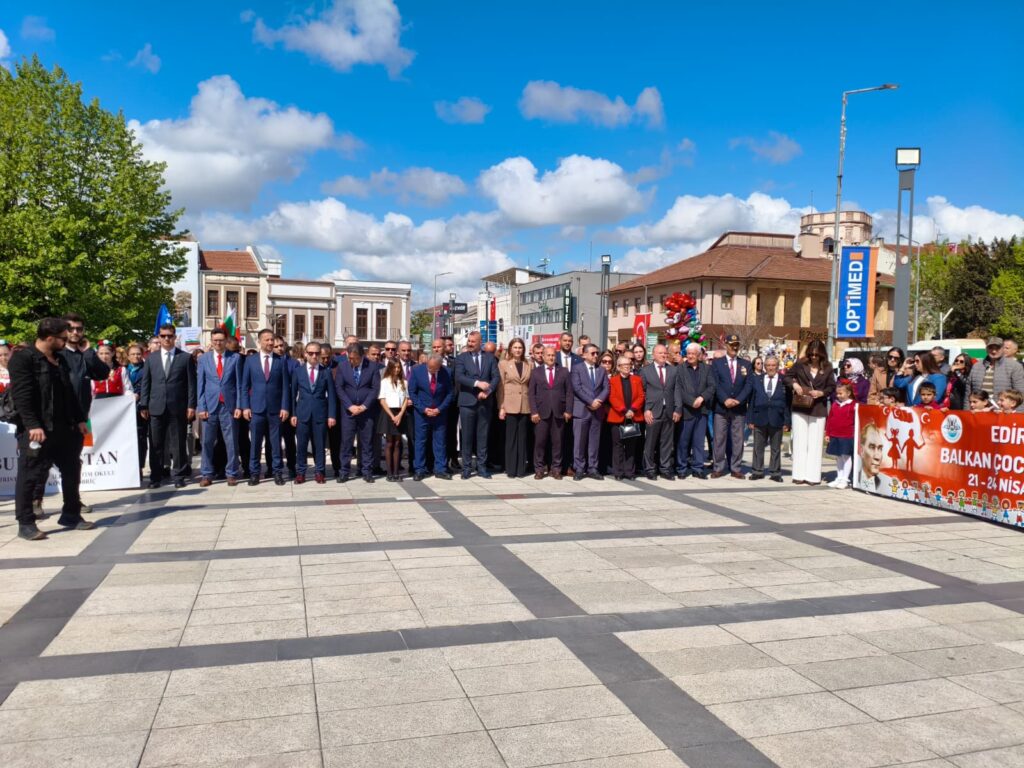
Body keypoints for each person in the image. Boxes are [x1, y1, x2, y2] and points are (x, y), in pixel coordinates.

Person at [8, 319, 92, 540]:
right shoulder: (23, 359)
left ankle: (71, 514)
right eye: (63, 338)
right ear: (49, 338)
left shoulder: (60, 358)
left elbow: (69, 392)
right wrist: (32, 424)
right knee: (30, 475)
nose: (68, 340)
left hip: (65, 427)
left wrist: (80, 419)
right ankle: (26, 522)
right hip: (38, 429)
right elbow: (22, 395)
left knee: (72, 470)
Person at [59, 313, 110, 512]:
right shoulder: (57, 353)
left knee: (73, 462)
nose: (75, 332)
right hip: (57, 416)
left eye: (79, 329)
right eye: (71, 328)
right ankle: (36, 500)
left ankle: (73, 501)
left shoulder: (84, 355)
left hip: (80, 417)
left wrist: (88, 351)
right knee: (43, 462)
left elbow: (103, 373)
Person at [140, 324, 196, 489]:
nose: (166, 339)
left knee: (178, 443)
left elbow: (191, 384)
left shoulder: (185, 358)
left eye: (169, 336)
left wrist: (191, 405)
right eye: (163, 336)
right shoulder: (151, 358)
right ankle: (156, 476)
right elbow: (146, 383)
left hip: (177, 407)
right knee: (156, 444)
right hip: (156, 407)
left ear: (175, 337)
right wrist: (144, 405)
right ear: (159, 337)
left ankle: (179, 475)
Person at [239, 328, 291, 485]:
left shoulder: (280, 360)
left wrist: (285, 407)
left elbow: (285, 387)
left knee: (275, 443)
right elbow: (244, 386)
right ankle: (254, 473)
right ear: (259, 341)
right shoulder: (250, 360)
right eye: (267, 339)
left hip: (276, 410)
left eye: (272, 339)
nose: (270, 342)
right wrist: (245, 407)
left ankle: (277, 472)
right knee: (255, 443)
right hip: (256, 409)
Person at [196, 329, 242, 487]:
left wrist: (239, 406)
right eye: (215, 340)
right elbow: (200, 385)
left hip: (229, 406)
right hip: (210, 406)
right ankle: (207, 474)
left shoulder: (235, 358)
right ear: (211, 341)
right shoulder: (204, 359)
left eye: (221, 340)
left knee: (231, 442)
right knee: (207, 442)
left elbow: (239, 384)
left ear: (226, 341)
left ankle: (232, 473)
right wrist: (201, 407)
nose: (218, 343)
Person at [786, 338, 835, 486]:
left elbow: (831, 386)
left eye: (816, 355)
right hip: (800, 406)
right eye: (811, 354)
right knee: (800, 441)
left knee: (815, 443)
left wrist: (821, 393)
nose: (814, 357)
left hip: (818, 408)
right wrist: (795, 385)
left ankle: (813, 476)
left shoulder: (828, 367)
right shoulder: (800, 364)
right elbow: (787, 377)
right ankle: (798, 475)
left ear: (821, 354)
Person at [454, 331, 499, 479]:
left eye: (473, 341)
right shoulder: (462, 358)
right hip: (467, 403)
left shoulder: (490, 358)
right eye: (469, 341)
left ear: (480, 342)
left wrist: (488, 391)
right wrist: (477, 383)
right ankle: (466, 468)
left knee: (483, 436)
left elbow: (496, 377)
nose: (470, 343)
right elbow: (459, 377)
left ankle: (482, 467)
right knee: (467, 436)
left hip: (485, 403)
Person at [334, 342, 380, 483]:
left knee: (366, 442)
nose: (352, 361)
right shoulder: (343, 366)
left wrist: (364, 406)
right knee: (346, 442)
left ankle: (367, 471)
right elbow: (339, 388)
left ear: (362, 356)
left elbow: (375, 388)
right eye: (350, 358)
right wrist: (350, 406)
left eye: (355, 358)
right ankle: (344, 471)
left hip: (366, 412)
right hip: (349, 412)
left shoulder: (372, 367)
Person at [291, 341, 336, 484]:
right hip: (302, 414)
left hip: (320, 414)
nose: (314, 356)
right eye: (311, 353)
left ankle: (320, 472)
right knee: (301, 445)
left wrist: (331, 415)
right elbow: (293, 394)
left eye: (317, 353)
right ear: (305, 354)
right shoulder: (298, 371)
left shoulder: (326, 372)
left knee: (320, 445)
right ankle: (301, 472)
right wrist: (293, 414)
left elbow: (332, 395)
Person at [710, 334, 753, 479]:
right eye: (732, 344)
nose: (734, 347)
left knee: (738, 439)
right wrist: (725, 399)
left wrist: (738, 400)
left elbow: (749, 385)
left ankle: (736, 468)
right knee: (719, 439)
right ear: (726, 345)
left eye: (737, 345)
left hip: (738, 408)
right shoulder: (717, 363)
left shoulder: (746, 364)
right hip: (721, 408)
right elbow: (715, 383)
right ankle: (718, 467)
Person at [408, 353, 454, 480]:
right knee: (420, 442)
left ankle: (440, 469)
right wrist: (423, 409)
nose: (431, 370)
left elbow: (450, 393)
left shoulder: (446, 372)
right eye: (429, 367)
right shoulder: (417, 371)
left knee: (440, 442)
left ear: (440, 366)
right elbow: (412, 392)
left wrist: (440, 409)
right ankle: (419, 469)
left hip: (439, 413)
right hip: (422, 414)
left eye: (434, 369)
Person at [528, 346, 572, 479]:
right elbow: (531, 394)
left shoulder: (564, 371)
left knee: (558, 442)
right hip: (541, 413)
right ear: (543, 356)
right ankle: (539, 469)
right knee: (540, 442)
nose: (551, 358)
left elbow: (569, 392)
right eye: (548, 355)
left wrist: (568, 410)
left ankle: (556, 469)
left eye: (553, 355)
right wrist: (534, 412)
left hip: (559, 413)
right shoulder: (536, 372)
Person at [675, 342, 714, 480]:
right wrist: (692, 401)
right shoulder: (680, 369)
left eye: (693, 354)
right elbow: (678, 389)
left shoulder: (707, 368)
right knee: (683, 441)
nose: (690, 356)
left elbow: (712, 386)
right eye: (688, 353)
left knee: (699, 442)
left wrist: (702, 398)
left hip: (702, 411)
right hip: (687, 410)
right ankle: (681, 468)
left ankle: (698, 468)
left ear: (699, 355)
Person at [569, 344, 609, 480]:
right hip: (582, 410)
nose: (596, 356)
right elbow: (577, 388)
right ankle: (579, 468)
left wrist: (598, 401)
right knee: (579, 442)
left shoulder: (601, 370)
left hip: (597, 411)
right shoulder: (577, 368)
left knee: (594, 442)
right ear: (584, 355)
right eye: (593, 353)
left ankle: (593, 468)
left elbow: (606, 388)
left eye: (597, 353)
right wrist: (591, 401)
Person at [640, 344, 680, 480]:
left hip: (669, 410)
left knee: (667, 442)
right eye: (660, 353)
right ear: (653, 355)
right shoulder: (645, 371)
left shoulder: (673, 370)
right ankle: (650, 469)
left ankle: (665, 468)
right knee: (650, 442)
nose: (664, 355)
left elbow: (677, 390)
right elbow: (642, 392)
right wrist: (646, 409)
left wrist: (677, 408)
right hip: (653, 411)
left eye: (665, 353)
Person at [748, 356, 789, 482]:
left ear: (777, 366)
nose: (771, 368)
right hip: (759, 417)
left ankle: (775, 472)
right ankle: (757, 471)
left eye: (773, 365)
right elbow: (752, 400)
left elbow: (788, 402)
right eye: (768, 365)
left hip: (777, 418)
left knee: (776, 448)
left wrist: (787, 421)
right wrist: (750, 419)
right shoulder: (757, 379)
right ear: (765, 367)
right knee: (758, 447)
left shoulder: (783, 380)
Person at [497, 338, 533, 479]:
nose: (518, 350)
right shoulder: (504, 364)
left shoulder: (529, 364)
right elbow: (500, 387)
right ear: (511, 349)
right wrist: (501, 406)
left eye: (520, 347)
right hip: (509, 404)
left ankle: (521, 469)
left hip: (524, 404)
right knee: (511, 438)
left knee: (522, 438)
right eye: (515, 347)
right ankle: (511, 468)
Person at [607, 355, 644, 480]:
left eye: (628, 364)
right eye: (624, 365)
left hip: (633, 417)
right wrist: (624, 410)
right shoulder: (613, 380)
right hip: (618, 417)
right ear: (618, 367)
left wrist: (632, 409)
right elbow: (612, 397)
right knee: (617, 445)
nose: (627, 367)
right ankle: (618, 472)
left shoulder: (637, 379)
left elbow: (641, 396)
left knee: (631, 446)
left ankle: (629, 472)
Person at [966, 337, 1024, 411]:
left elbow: (1021, 393)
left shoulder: (1015, 366)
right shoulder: (976, 366)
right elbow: (968, 393)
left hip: (1003, 413)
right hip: (978, 413)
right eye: (991, 348)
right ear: (986, 349)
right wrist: (966, 412)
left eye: (997, 348)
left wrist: (1018, 414)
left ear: (1003, 348)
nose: (994, 351)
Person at [378, 358, 410, 481]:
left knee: (397, 442)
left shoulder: (404, 382)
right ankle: (389, 473)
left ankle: (396, 472)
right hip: (388, 413)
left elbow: (406, 399)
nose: (397, 370)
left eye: (398, 367)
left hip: (399, 412)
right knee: (389, 442)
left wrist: (400, 414)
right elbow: (382, 400)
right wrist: (392, 416)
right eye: (394, 367)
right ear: (390, 368)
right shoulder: (385, 381)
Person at [555, 332, 582, 475]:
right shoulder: (554, 357)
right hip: (557, 401)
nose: (567, 343)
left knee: (570, 436)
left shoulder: (578, 360)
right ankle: (555, 465)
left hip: (574, 402)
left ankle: (568, 465)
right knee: (556, 436)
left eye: (570, 341)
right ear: (560, 341)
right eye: (565, 340)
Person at [274, 335, 299, 479]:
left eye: (281, 345)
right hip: (273, 407)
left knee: (289, 440)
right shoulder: (270, 362)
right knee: (273, 440)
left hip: (289, 406)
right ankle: (272, 467)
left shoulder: (293, 363)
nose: (279, 348)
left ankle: (291, 467)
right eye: (276, 346)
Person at [319, 344, 343, 477]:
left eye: (327, 357)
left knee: (335, 441)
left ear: (332, 355)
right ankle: (320, 468)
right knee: (319, 440)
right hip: (319, 408)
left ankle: (337, 467)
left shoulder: (338, 368)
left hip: (335, 408)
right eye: (322, 357)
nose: (325, 360)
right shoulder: (316, 368)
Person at [825, 382, 856, 489]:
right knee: (838, 457)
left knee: (846, 457)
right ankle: (839, 477)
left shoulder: (853, 405)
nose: (838, 396)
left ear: (848, 393)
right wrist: (828, 433)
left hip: (847, 435)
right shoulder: (835, 404)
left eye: (841, 393)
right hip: (835, 434)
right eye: (837, 394)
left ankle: (845, 479)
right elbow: (830, 419)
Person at [855, 422, 893, 492]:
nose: (877, 457)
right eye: (872, 447)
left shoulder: (884, 484)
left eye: (880, 448)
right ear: (862, 450)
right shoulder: (855, 478)